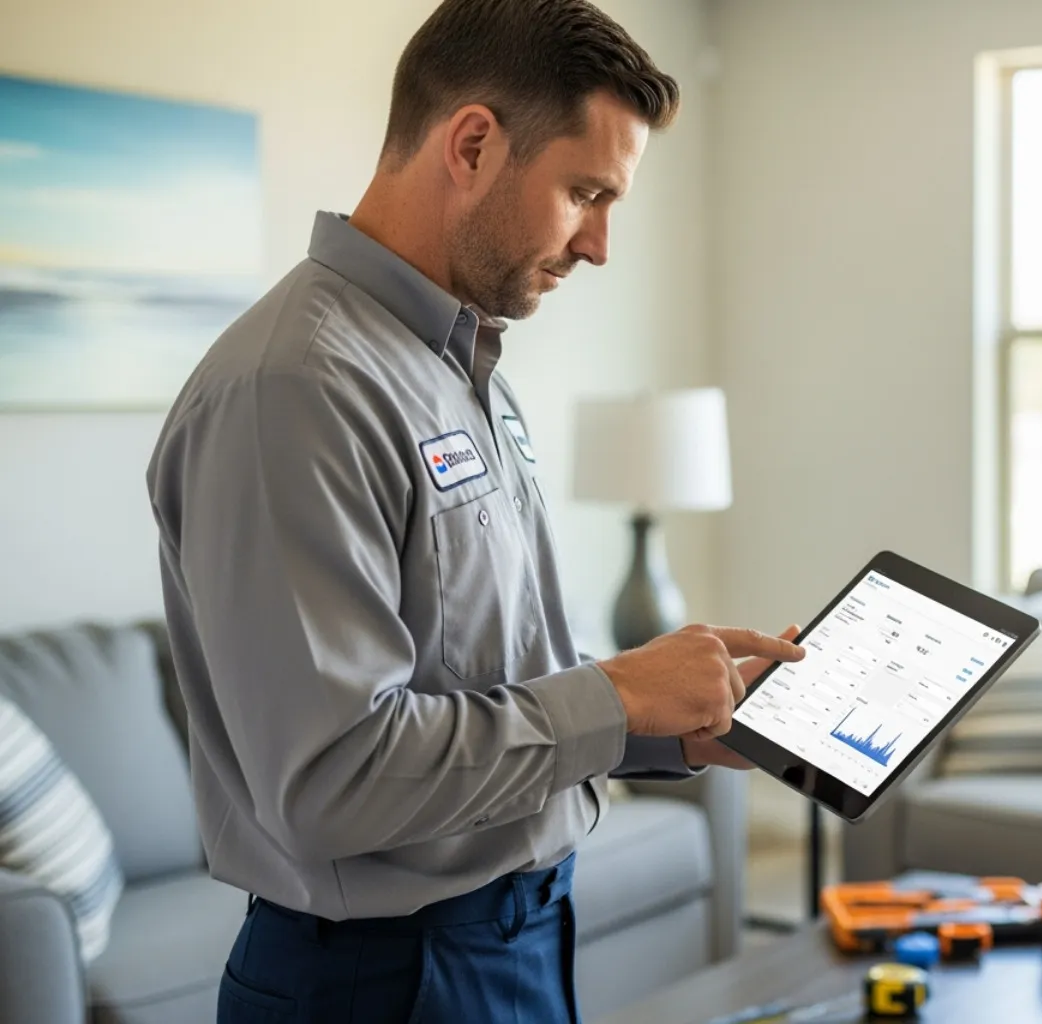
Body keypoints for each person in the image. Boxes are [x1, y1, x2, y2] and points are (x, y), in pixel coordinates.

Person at [143, 1, 803, 1021]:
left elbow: (476, 682)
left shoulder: (466, 365)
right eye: (585, 192)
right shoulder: (295, 388)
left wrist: (665, 726)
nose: (600, 245)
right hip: (383, 979)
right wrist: (618, 696)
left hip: (517, 937)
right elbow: (335, 781)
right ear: (474, 143)